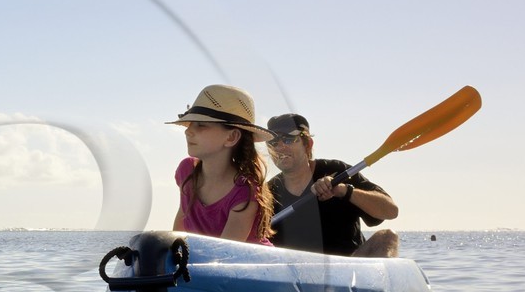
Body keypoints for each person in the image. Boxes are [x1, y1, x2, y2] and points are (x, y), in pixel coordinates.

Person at [264, 113, 400, 257]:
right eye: (273, 142)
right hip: (296, 273)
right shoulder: (265, 193)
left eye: (288, 139)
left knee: (387, 237)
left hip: (350, 272)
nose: (280, 147)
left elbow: (391, 211)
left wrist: (344, 191)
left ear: (307, 144)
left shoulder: (339, 171)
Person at [167, 84, 274, 244]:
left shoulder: (245, 190)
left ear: (231, 137)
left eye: (201, 125)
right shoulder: (186, 170)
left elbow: (226, 253)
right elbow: (181, 221)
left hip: (249, 265)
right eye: (190, 124)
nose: (188, 131)